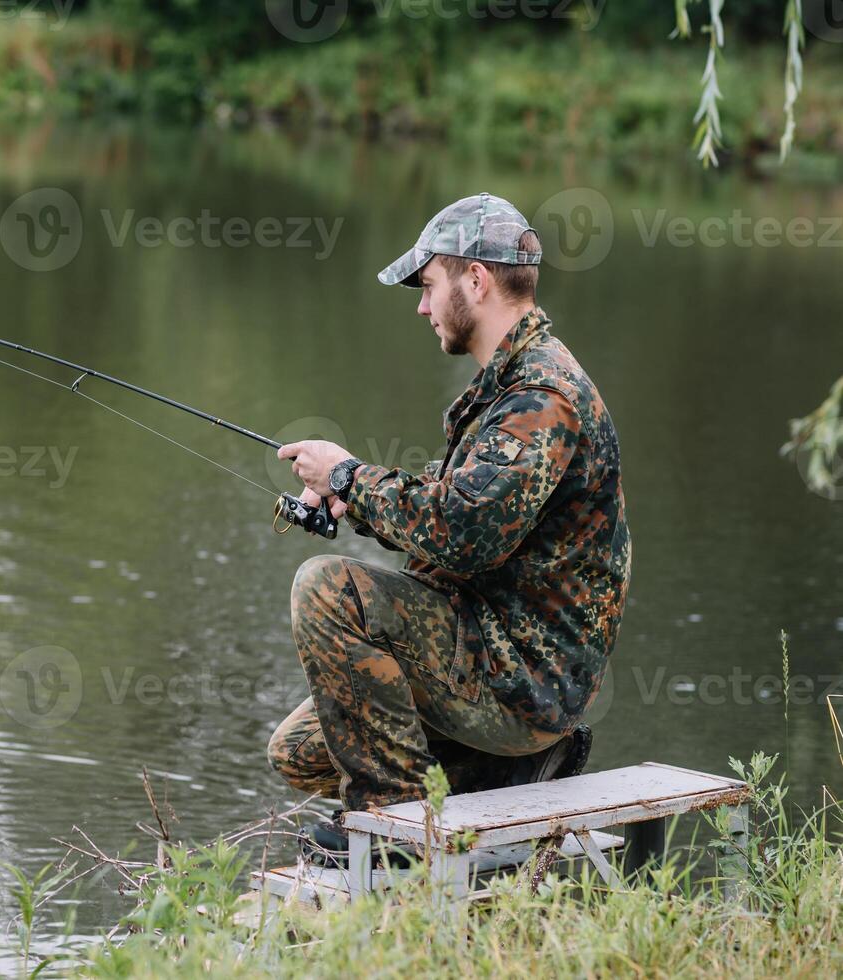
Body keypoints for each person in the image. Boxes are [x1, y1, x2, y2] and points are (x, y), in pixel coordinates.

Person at [269, 193, 632, 832]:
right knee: (298, 753)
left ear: (476, 279)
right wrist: (347, 495)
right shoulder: (507, 386)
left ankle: (397, 832)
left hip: (525, 679)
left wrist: (349, 476)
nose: (421, 304)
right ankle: (500, 778)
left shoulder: (542, 397)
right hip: (490, 653)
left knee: (327, 590)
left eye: (429, 285)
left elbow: (462, 534)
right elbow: (450, 512)